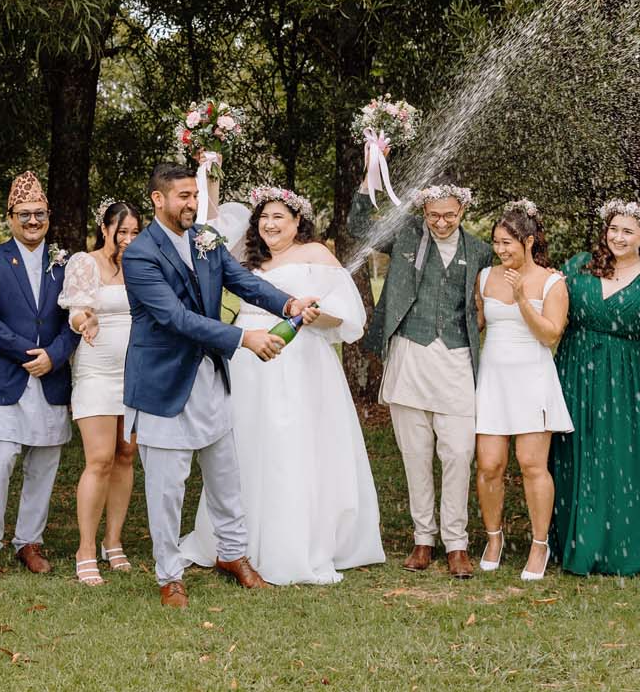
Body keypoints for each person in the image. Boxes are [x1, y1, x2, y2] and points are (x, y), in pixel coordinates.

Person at [122, 163, 320, 607]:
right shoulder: (139, 254)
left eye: (195, 195)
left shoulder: (204, 239)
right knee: (167, 488)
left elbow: (243, 281)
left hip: (209, 377)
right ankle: (169, 575)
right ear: (158, 200)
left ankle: (233, 556)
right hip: (163, 383)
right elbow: (175, 318)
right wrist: (243, 338)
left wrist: (286, 301)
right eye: (183, 197)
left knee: (226, 475)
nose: (192, 204)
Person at [179, 186, 385, 585]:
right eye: (265, 217)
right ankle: (235, 541)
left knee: (292, 445)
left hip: (300, 360)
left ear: (297, 222)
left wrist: (313, 314)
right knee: (243, 445)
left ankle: (293, 542)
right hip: (247, 359)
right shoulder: (245, 258)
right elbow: (209, 227)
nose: (270, 225)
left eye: (279, 217)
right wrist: (211, 178)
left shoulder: (316, 255)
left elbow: (345, 313)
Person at [349, 175, 493, 580]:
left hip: (457, 361)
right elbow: (359, 226)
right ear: (423, 212)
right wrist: (368, 180)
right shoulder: (408, 236)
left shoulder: (480, 251)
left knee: (459, 453)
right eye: (433, 215)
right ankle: (423, 539)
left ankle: (457, 543)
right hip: (411, 357)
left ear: (462, 211)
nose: (441, 223)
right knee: (415, 455)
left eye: (449, 215)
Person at [549, 200, 640, 576]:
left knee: (617, 453)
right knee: (573, 450)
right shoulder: (580, 265)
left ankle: (619, 545)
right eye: (613, 228)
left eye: (628, 231)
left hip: (625, 377)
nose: (618, 237)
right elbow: (548, 296)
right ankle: (570, 540)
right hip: (574, 370)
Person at [0, 172, 77, 580]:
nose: (33, 221)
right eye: (24, 214)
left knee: (44, 465)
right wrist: (28, 354)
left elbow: (77, 319)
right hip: (5, 378)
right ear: (9, 217)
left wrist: (54, 356)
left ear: (48, 216)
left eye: (40, 214)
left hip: (51, 379)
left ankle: (29, 542)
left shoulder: (66, 263)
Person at [473, 201, 571, 581]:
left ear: (528, 241)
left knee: (532, 465)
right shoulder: (484, 277)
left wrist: (519, 301)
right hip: (494, 380)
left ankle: (538, 544)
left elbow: (550, 335)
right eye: (496, 243)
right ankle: (493, 538)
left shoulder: (551, 282)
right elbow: (478, 323)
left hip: (533, 378)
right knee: (489, 465)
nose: (501, 250)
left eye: (508, 243)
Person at [59, 199, 143, 586]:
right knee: (99, 459)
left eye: (134, 233)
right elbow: (77, 310)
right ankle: (86, 549)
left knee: (125, 456)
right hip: (96, 373)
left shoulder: (141, 266)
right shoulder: (84, 263)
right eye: (121, 231)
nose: (127, 239)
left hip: (135, 374)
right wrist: (84, 320)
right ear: (105, 228)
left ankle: (114, 541)